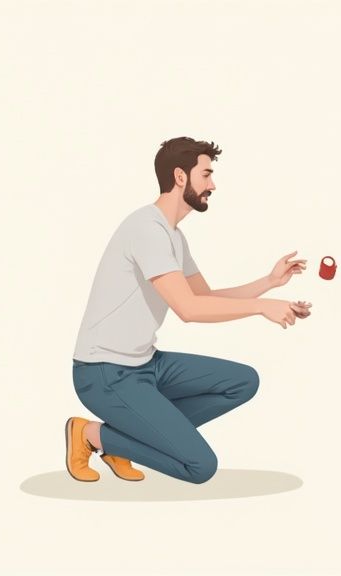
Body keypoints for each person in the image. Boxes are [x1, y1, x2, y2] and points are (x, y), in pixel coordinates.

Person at [66, 136, 311, 484]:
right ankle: (92, 435)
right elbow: (189, 308)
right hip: (104, 373)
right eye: (206, 175)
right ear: (180, 177)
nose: (213, 185)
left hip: (145, 365)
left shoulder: (173, 236)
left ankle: (128, 439)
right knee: (200, 467)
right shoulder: (147, 229)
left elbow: (204, 296)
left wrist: (269, 283)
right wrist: (261, 307)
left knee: (242, 382)